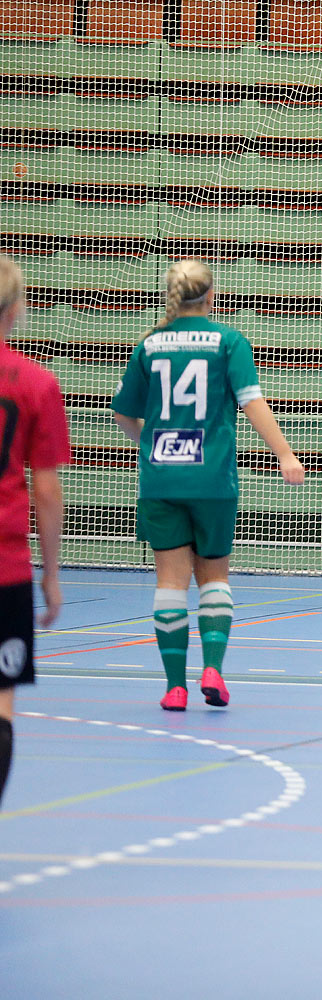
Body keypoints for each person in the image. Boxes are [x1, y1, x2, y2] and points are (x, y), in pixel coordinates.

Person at [111, 258, 305, 711]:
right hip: (213, 476)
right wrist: (284, 453)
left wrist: (150, 444)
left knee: (170, 583)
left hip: (161, 476)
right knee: (214, 576)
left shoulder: (150, 343)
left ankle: (174, 687)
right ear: (211, 295)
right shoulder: (228, 342)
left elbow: (122, 412)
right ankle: (213, 667)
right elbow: (251, 402)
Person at [0, 257, 69, 804]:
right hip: (7, 568)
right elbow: (46, 491)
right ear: (17, 308)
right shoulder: (37, 381)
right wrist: (51, 576)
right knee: (2, 703)